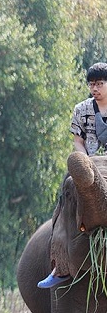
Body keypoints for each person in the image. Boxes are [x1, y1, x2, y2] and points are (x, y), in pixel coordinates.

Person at [38, 62, 107, 288]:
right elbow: (78, 142)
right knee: (67, 190)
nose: (95, 88)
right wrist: (85, 163)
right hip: (88, 168)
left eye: (100, 84)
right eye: (91, 84)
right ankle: (61, 263)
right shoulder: (82, 109)